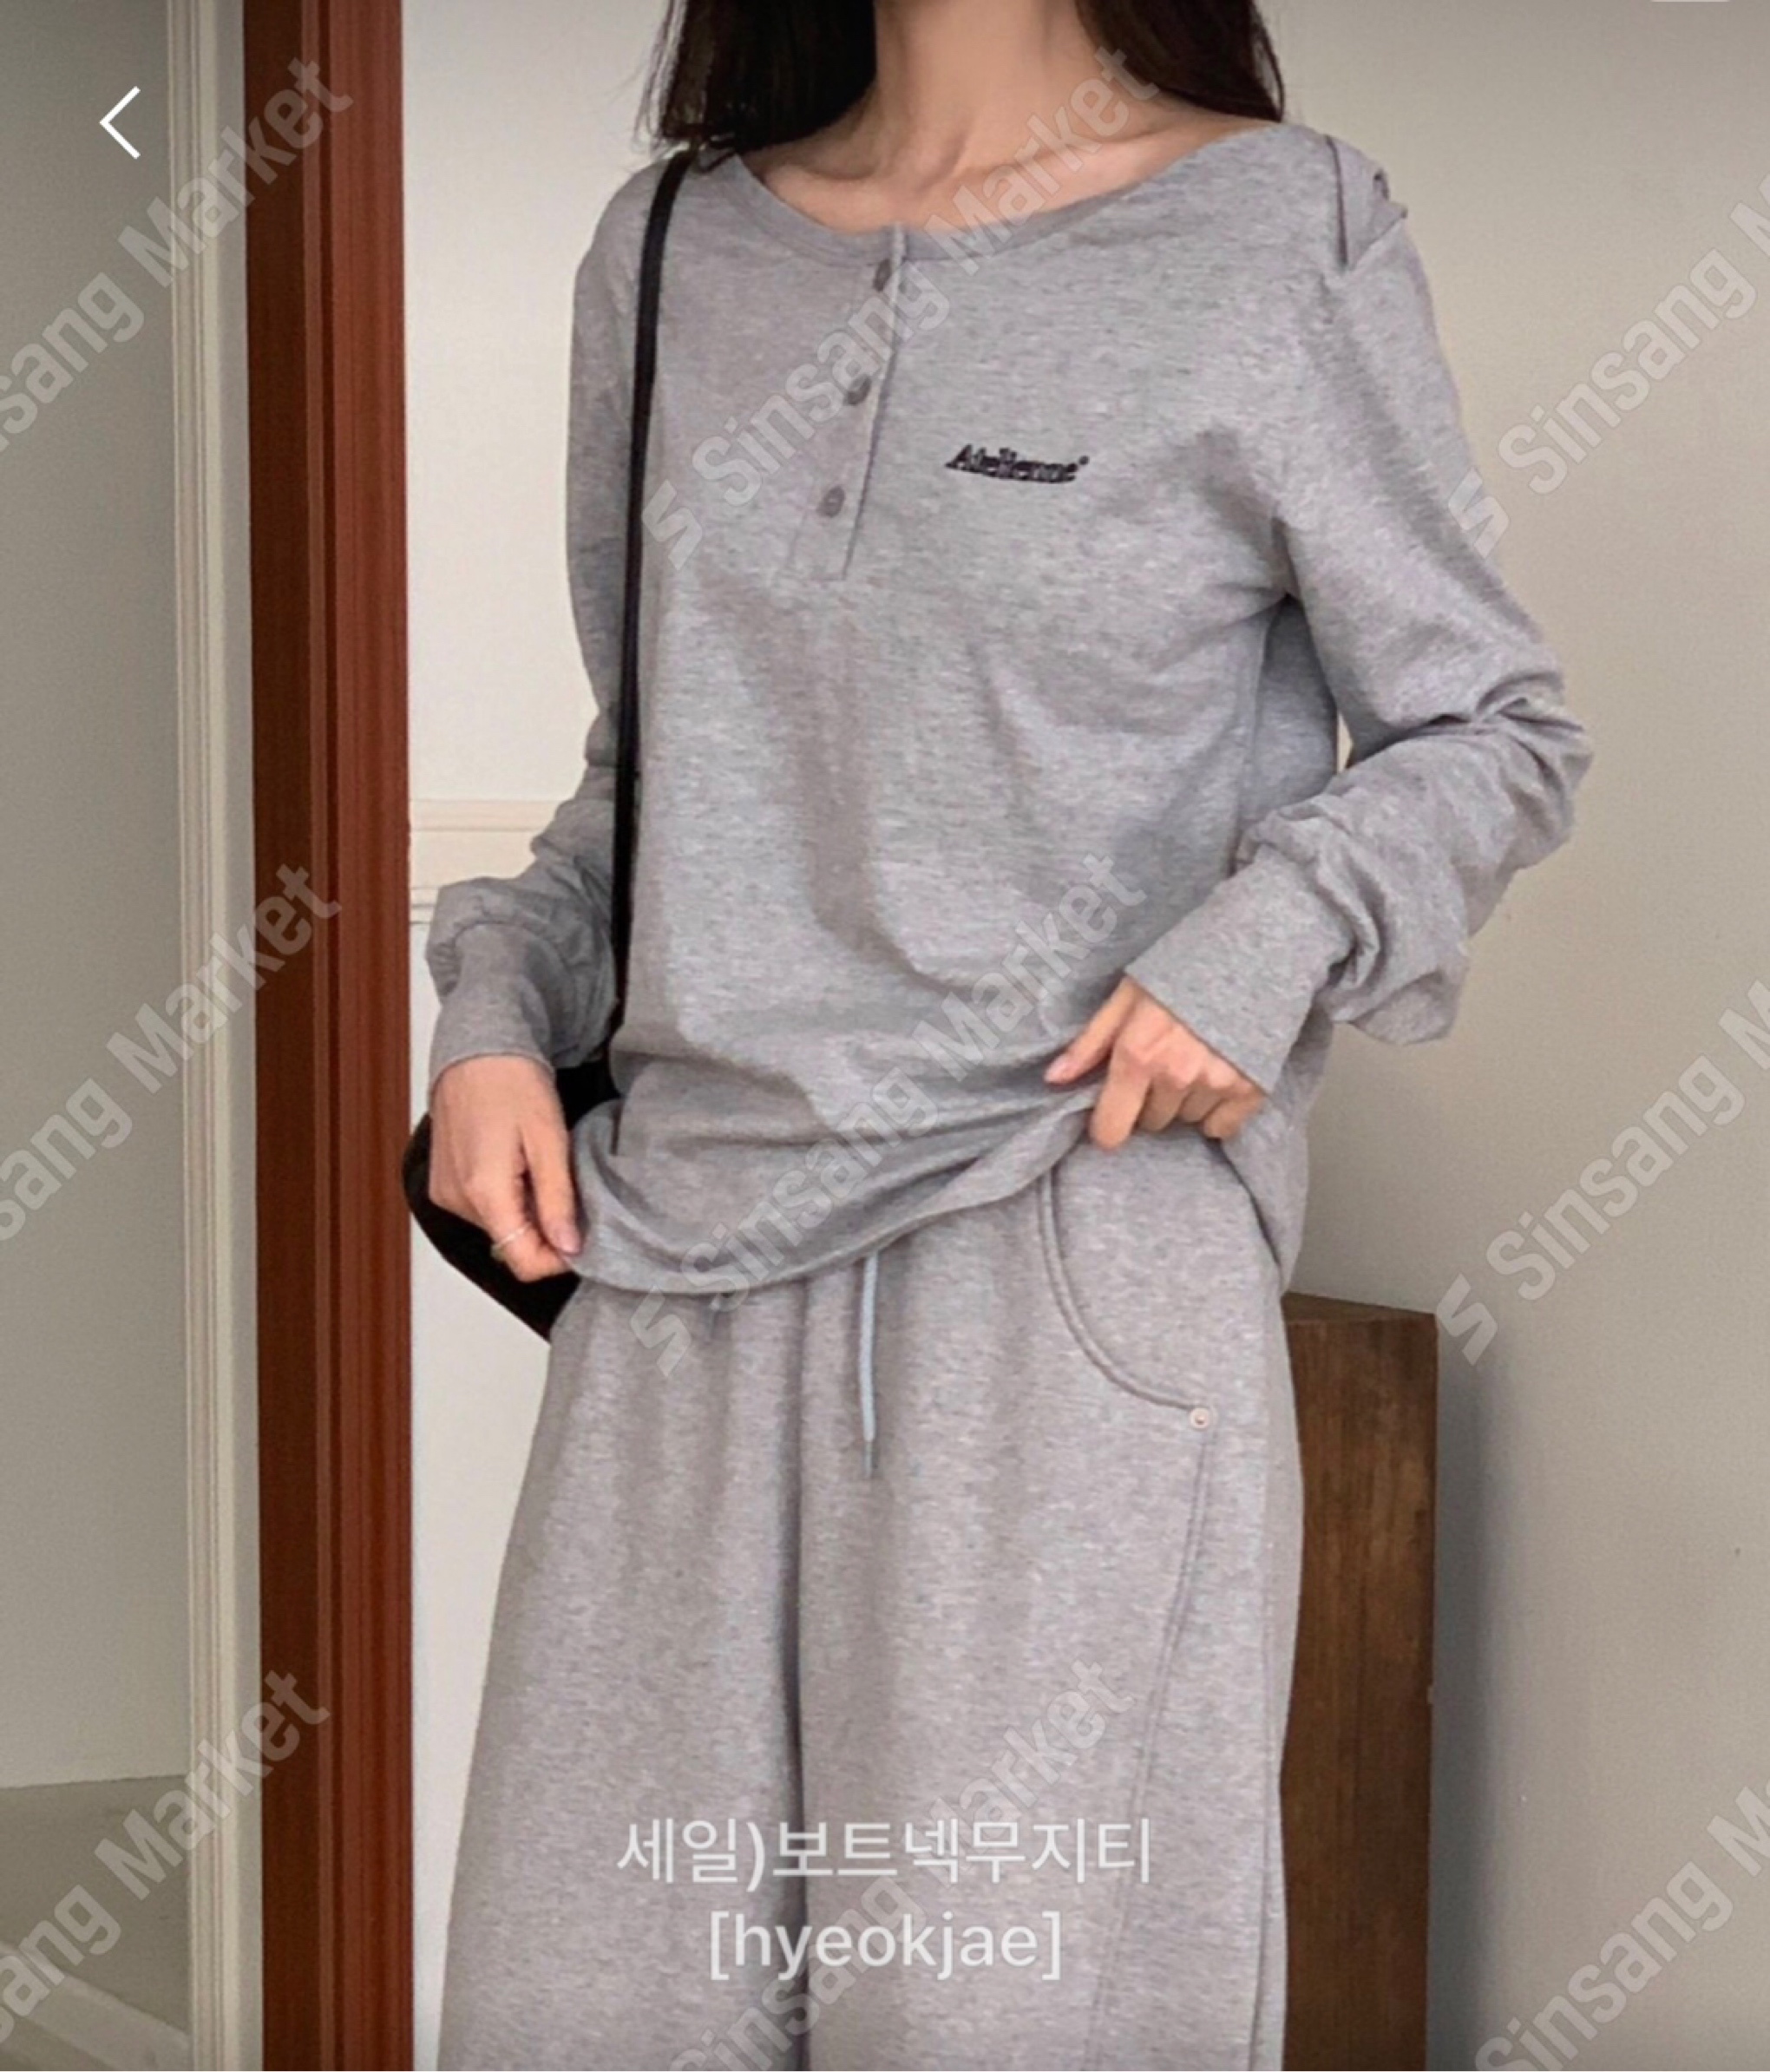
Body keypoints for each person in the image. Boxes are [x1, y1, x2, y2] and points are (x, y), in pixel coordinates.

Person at [424, 2, 1592, 2064]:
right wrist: (496, 1013)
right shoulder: (674, 250)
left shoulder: (1279, 233)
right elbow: (656, 775)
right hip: (674, 1286)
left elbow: (1490, 730)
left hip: (1062, 1267)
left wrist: (1265, 939)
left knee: (1005, 2016)